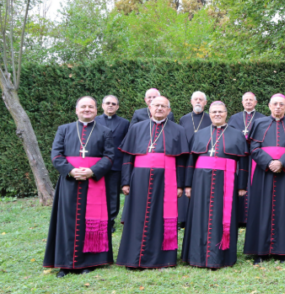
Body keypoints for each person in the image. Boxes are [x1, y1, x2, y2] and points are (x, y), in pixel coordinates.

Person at [44, 96, 115, 278]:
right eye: (83, 107)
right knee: (66, 222)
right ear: (76, 110)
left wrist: (92, 171)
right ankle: (64, 264)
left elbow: (109, 157)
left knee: (90, 221)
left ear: (96, 110)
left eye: (90, 107)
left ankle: (89, 262)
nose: (87, 110)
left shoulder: (105, 131)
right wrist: (70, 170)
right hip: (69, 182)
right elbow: (56, 155)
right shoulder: (64, 129)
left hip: (94, 182)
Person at [116, 96, 189, 269]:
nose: (159, 109)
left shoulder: (178, 130)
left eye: (163, 106)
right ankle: (133, 258)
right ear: (149, 107)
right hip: (139, 179)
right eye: (156, 105)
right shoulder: (136, 128)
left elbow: (181, 160)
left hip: (167, 179)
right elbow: (128, 157)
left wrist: (179, 184)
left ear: (169, 111)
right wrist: (125, 182)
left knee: (162, 217)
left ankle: (162, 259)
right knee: (136, 216)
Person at [181, 101, 248, 269]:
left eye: (220, 111)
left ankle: (221, 256)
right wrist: (188, 185)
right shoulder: (199, 134)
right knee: (199, 216)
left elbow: (244, 163)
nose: (217, 114)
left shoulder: (237, 134)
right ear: (209, 114)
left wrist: (242, 186)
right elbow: (191, 161)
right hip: (200, 182)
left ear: (226, 113)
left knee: (221, 215)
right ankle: (196, 255)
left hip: (227, 181)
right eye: (214, 112)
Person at [243, 94, 285, 263]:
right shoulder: (259, 123)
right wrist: (269, 162)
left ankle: (282, 250)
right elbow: (253, 147)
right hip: (263, 173)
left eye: (281, 104)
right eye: (275, 104)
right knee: (261, 209)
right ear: (269, 106)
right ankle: (260, 251)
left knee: (283, 209)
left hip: (284, 172)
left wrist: (282, 163)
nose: (278, 107)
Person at [227, 92, 267, 227]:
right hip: (239, 156)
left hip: (255, 156)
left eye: (251, 100)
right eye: (246, 100)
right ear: (242, 102)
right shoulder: (234, 118)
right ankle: (238, 217)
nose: (248, 102)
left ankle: (253, 215)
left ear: (255, 102)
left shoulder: (262, 118)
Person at [94, 95, 129, 234]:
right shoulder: (94, 120)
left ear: (117, 107)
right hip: (96, 164)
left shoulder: (124, 123)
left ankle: (110, 221)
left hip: (115, 164)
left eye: (113, 104)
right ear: (102, 106)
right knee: (97, 193)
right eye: (107, 103)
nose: (110, 105)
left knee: (113, 195)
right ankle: (97, 219)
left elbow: (126, 143)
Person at [177, 91, 212, 228]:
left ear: (205, 103)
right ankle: (183, 218)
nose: (198, 101)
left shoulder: (210, 118)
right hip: (186, 156)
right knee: (185, 183)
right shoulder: (184, 119)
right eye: (195, 99)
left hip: (203, 157)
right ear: (191, 102)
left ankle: (199, 215)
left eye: (201, 99)